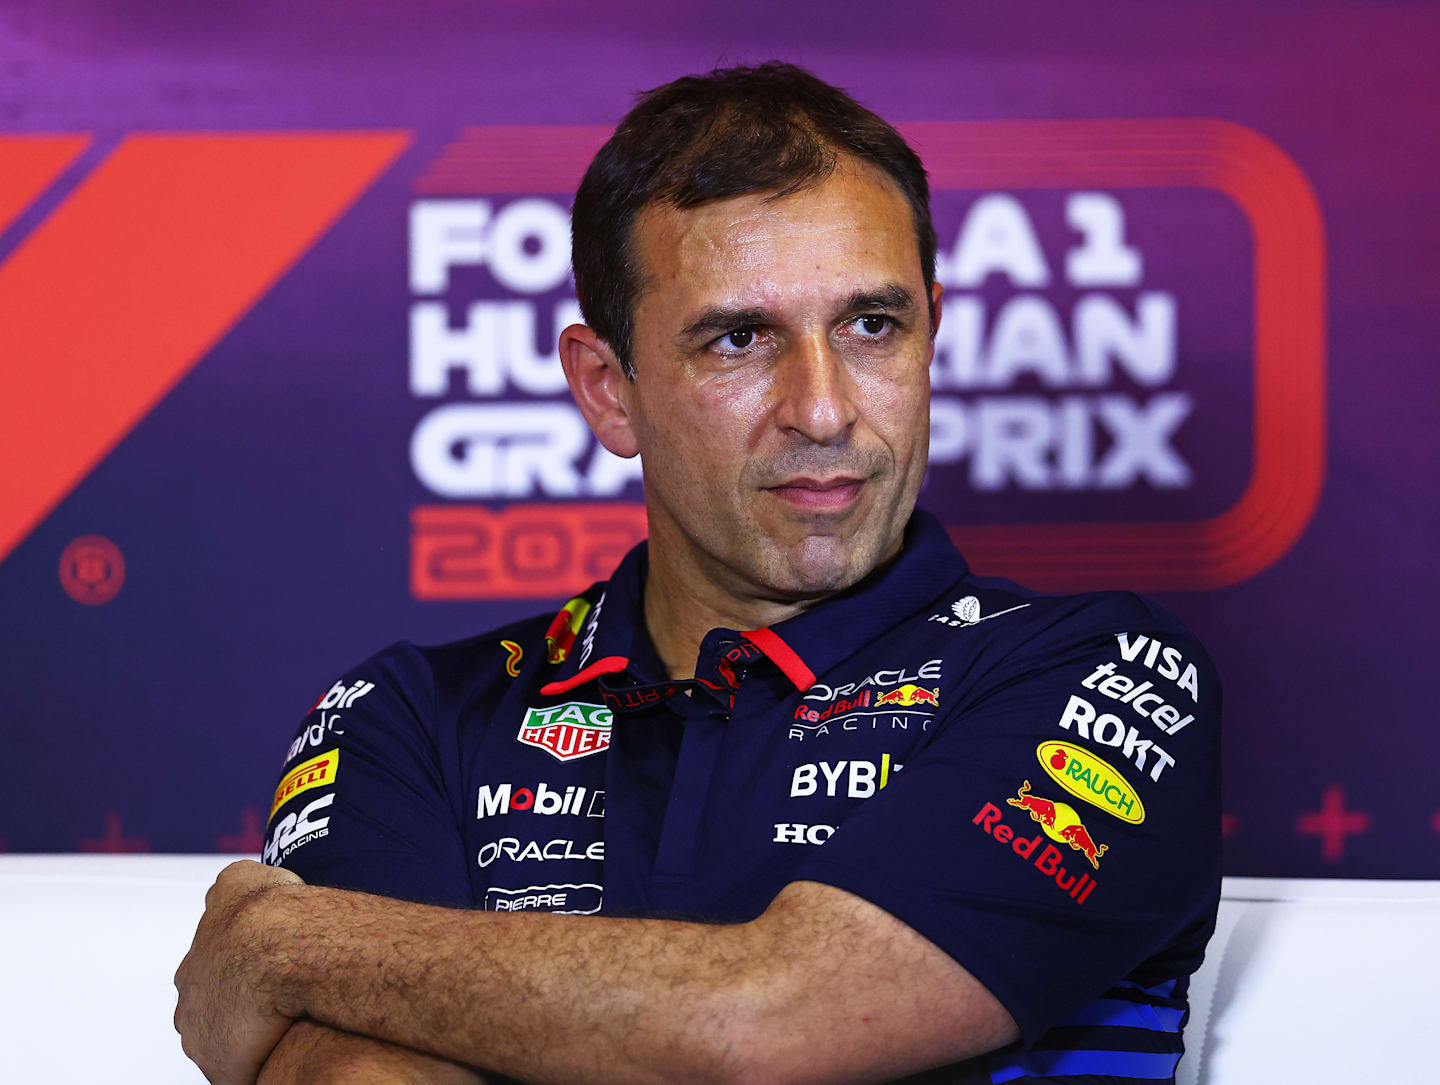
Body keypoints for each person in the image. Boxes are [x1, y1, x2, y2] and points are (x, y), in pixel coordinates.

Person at [175, 62, 1220, 1084]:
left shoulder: (1104, 673)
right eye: (739, 338)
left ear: (932, 336)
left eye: (871, 325)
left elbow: (778, 1020)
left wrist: (292, 946)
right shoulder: (413, 716)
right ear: (607, 390)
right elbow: (353, 1070)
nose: (822, 408)